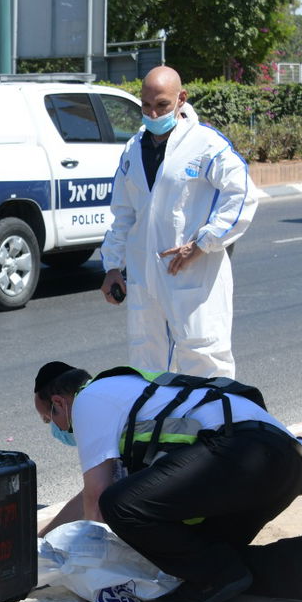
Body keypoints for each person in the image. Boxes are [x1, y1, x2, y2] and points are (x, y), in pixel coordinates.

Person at [32, 360, 302, 602]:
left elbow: (98, 500)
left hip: (240, 452)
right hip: (286, 464)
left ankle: (217, 575)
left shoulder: (89, 399)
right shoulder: (128, 393)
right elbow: (89, 497)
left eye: (49, 420)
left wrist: (102, 569)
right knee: (197, 555)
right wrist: (42, 538)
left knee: (123, 507)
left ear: (59, 402)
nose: (56, 430)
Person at [100, 65, 257, 378]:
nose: (153, 114)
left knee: (203, 361)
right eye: (146, 106)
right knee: (147, 364)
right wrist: (113, 267)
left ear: (181, 99)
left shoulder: (206, 145)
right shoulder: (133, 150)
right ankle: (160, 427)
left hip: (193, 278)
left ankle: (215, 428)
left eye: (162, 106)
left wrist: (201, 244)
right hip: (146, 281)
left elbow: (242, 196)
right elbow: (123, 214)